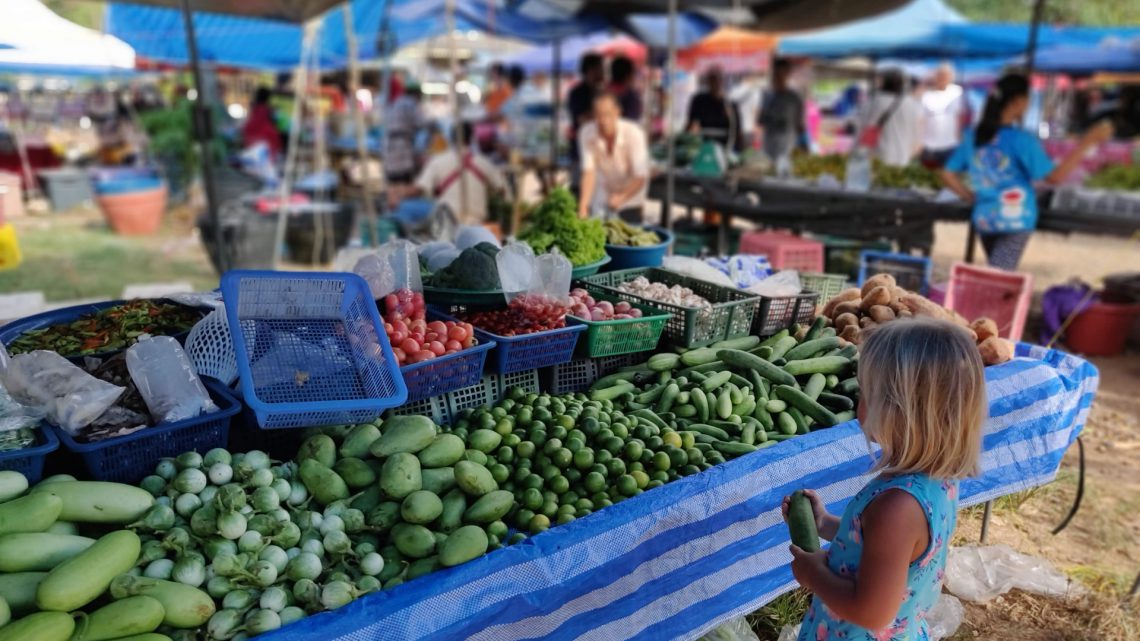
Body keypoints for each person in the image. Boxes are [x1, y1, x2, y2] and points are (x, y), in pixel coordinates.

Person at [785, 318, 986, 641]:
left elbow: (872, 612)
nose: (859, 406)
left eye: (867, 393)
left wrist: (814, 575)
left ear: (902, 409)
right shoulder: (933, 481)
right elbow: (875, 546)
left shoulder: (899, 507)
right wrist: (824, 523)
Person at [939, 73, 1113, 270]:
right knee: (997, 278)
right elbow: (1054, 177)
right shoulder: (1021, 140)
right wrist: (1086, 143)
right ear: (1017, 101)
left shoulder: (973, 136)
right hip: (1016, 220)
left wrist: (970, 196)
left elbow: (947, 173)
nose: (1028, 105)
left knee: (996, 272)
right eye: (1028, 100)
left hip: (985, 218)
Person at [389, 124, 509, 227]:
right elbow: (503, 191)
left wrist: (397, 193)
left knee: (404, 210)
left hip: (447, 223)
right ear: (472, 139)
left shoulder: (438, 161)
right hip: (477, 221)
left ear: (451, 139)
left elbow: (418, 190)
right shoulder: (484, 162)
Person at [577, 93, 649, 222]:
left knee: (628, 236)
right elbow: (589, 172)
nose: (603, 120)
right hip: (603, 196)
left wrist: (621, 197)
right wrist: (583, 206)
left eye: (607, 114)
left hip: (630, 197)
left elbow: (640, 176)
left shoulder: (634, 133)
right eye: (598, 115)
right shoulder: (586, 133)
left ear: (617, 112)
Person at [857, 69, 924, 167]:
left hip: (881, 153)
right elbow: (916, 129)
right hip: (904, 153)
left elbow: (867, 126)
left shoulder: (877, 100)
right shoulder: (910, 103)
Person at [920, 64, 968, 167]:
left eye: (946, 75)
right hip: (929, 145)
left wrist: (960, 137)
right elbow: (921, 120)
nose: (942, 78)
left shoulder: (958, 92)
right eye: (940, 75)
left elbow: (960, 115)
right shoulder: (926, 94)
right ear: (935, 77)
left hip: (951, 144)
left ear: (951, 77)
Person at [757, 58, 805, 160]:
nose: (776, 77)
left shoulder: (794, 98)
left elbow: (800, 126)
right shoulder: (766, 96)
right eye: (775, 73)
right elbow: (760, 121)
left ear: (787, 74)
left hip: (786, 151)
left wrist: (802, 144)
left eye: (780, 73)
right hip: (768, 150)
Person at [686, 67, 743, 152]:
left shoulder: (730, 104)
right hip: (703, 146)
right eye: (712, 80)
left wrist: (739, 150)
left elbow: (737, 130)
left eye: (718, 80)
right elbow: (691, 123)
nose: (715, 83)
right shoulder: (699, 100)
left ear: (722, 81)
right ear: (708, 82)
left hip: (724, 147)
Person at [383, 83, 425, 186]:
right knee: (403, 176)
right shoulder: (410, 103)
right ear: (416, 94)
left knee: (393, 175)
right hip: (401, 144)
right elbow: (420, 122)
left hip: (390, 143)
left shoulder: (397, 102)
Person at [568, 53, 606, 163]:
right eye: (601, 68)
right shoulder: (577, 93)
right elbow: (582, 120)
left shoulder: (601, 92)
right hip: (581, 151)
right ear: (591, 70)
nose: (603, 72)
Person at [609, 55, 642, 120]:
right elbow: (633, 120)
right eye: (633, 74)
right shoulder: (631, 96)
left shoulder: (602, 93)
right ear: (627, 76)